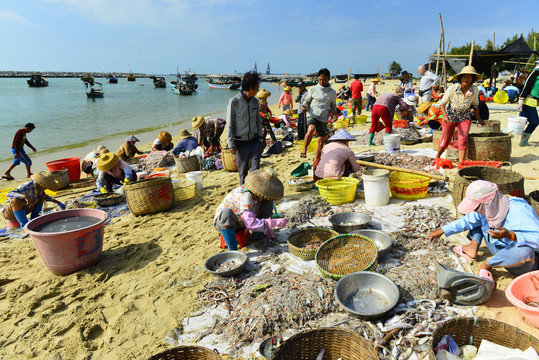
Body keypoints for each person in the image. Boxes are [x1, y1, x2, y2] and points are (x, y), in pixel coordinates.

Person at [430, 180, 539, 281]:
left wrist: (511, 235)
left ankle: (489, 264)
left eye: (477, 207)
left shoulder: (520, 210)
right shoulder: (490, 209)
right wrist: (441, 231)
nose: (476, 210)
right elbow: (467, 221)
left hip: (519, 261)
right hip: (498, 248)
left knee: (525, 252)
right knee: (477, 219)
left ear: (488, 202)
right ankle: (472, 248)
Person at [214, 169, 288, 250]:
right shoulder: (246, 197)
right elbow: (250, 224)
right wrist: (273, 223)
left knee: (268, 202)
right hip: (228, 222)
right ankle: (232, 250)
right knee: (226, 213)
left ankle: (258, 234)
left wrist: (268, 228)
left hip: (244, 218)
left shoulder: (257, 194)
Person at [435, 65, 485, 163]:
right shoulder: (453, 88)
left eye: (469, 77)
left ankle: (461, 162)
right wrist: (445, 116)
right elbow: (442, 104)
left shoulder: (474, 90)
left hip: (464, 118)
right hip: (450, 117)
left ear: (472, 79)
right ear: (461, 78)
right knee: (446, 140)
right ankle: (438, 155)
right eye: (464, 76)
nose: (466, 79)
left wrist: (479, 119)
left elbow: (475, 106)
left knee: (463, 139)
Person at [226, 71, 263, 185]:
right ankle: (245, 194)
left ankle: (254, 193)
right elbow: (230, 124)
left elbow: (258, 121)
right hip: (240, 145)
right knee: (243, 174)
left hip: (255, 142)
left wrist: (261, 138)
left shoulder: (255, 102)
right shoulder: (234, 102)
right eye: (257, 88)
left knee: (255, 170)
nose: (258, 91)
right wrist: (231, 144)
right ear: (251, 88)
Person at [1, 172, 65, 229]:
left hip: (24, 209)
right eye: (45, 185)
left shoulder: (40, 190)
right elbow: (9, 193)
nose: (45, 188)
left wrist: (58, 203)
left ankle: (35, 217)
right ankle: (24, 225)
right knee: (15, 200)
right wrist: (24, 196)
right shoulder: (27, 186)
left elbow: (46, 197)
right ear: (40, 183)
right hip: (8, 212)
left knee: (43, 195)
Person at [301, 68, 339, 159]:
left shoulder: (332, 92)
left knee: (321, 141)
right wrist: (304, 106)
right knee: (311, 128)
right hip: (312, 114)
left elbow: (333, 105)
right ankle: (304, 149)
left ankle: (317, 160)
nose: (321, 81)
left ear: (329, 78)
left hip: (323, 117)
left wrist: (334, 113)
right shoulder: (313, 89)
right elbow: (307, 101)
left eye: (324, 79)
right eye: (320, 79)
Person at [517, 59, 539, 147]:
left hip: (533, 101)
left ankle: (523, 140)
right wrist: (521, 101)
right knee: (533, 122)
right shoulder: (534, 73)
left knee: (523, 121)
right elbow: (527, 86)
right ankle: (523, 141)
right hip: (528, 100)